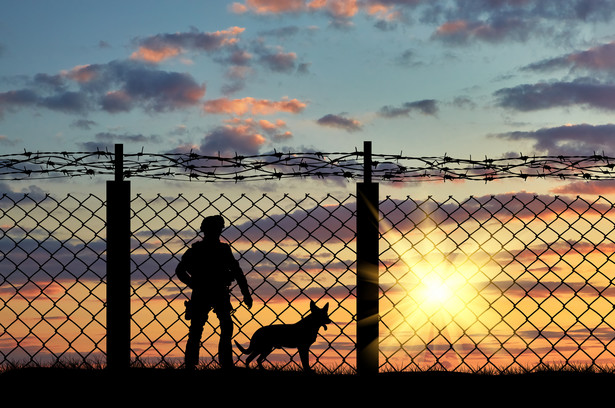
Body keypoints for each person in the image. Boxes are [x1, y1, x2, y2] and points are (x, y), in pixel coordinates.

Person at [175, 215, 253, 370]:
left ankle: (196, 364)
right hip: (213, 292)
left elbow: (237, 272)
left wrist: (194, 284)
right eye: (216, 229)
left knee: (204, 328)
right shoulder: (215, 250)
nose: (216, 232)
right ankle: (222, 364)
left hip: (209, 292)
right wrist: (246, 294)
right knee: (216, 327)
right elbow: (237, 272)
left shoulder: (203, 250)